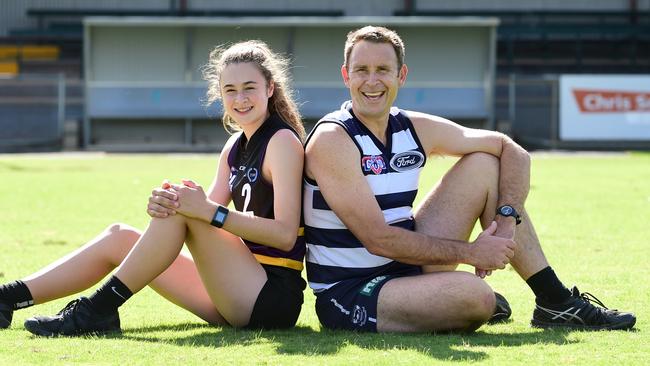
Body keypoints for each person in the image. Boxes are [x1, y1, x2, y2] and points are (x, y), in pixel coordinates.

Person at [302, 26, 636, 333]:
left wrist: (506, 219)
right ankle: (456, 302)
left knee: (484, 163)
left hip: (409, 267)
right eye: (362, 70)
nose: (372, 81)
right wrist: (474, 253)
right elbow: (378, 240)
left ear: (401, 76)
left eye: (383, 70)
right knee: (477, 296)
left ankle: (555, 302)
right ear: (346, 76)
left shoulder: (410, 126)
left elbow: (511, 149)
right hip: (352, 291)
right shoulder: (333, 138)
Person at [0, 40, 307, 336]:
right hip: (232, 287)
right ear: (220, 95)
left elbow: (283, 233)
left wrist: (200, 209)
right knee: (119, 236)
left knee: (184, 209)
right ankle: (8, 298)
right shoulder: (234, 146)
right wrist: (171, 203)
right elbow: (204, 219)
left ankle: (97, 311)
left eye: (249, 88)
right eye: (230, 90)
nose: (240, 99)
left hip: (270, 297)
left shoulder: (281, 141)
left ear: (270, 88)